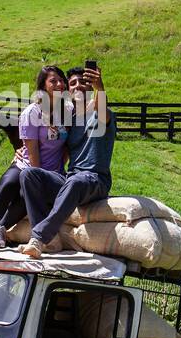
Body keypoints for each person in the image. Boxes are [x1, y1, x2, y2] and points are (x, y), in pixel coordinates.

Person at [17, 64, 115, 258]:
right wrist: (21, 150)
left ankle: (38, 238)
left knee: (76, 181)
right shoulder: (69, 119)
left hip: (95, 180)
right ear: (67, 91)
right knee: (29, 174)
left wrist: (100, 88)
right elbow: (50, 141)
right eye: (72, 83)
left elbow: (101, 107)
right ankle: (50, 242)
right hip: (70, 178)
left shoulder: (101, 113)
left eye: (83, 82)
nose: (77, 86)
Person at [0, 65, 68, 251]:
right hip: (27, 165)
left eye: (61, 80)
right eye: (53, 81)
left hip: (53, 171)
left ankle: (1, 228)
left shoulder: (67, 111)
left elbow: (67, 146)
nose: (59, 84)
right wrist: (38, 177)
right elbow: (32, 151)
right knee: (10, 184)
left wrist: (58, 169)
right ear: (43, 86)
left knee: (26, 195)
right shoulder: (33, 112)